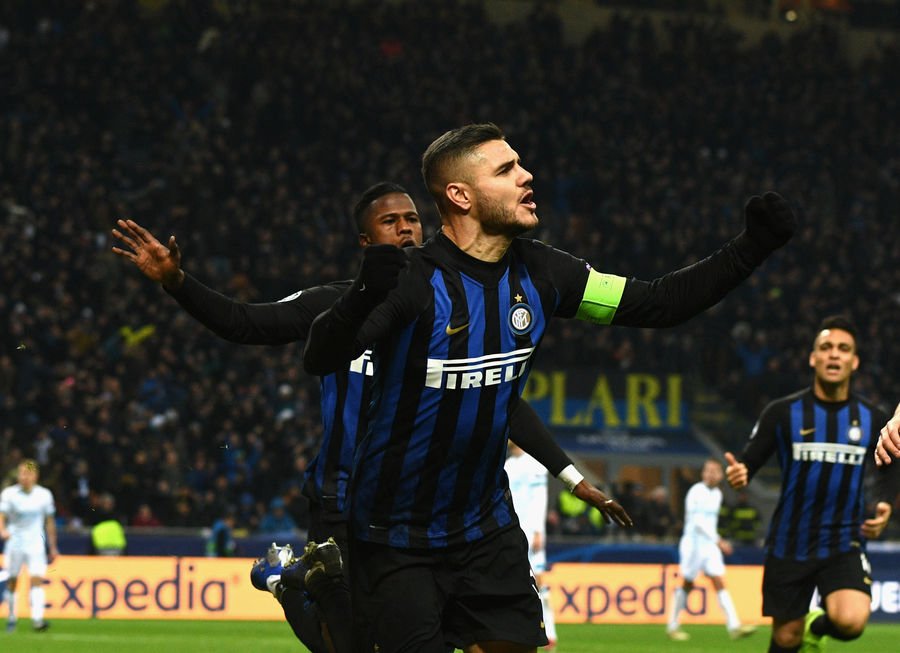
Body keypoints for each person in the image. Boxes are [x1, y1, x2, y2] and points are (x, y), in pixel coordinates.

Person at [302, 122, 795, 652]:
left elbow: (659, 303)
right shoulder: (411, 281)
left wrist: (751, 248)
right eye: (506, 170)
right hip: (394, 535)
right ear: (461, 196)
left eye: (519, 164)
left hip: (485, 529)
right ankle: (310, 591)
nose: (526, 175)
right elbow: (321, 356)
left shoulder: (545, 273)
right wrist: (360, 295)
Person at [112, 181, 625, 653]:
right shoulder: (333, 307)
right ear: (365, 241)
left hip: (420, 508)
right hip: (343, 499)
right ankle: (291, 583)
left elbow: (499, 399)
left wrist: (570, 475)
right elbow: (245, 323)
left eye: (412, 219)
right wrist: (178, 282)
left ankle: (292, 580)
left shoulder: (454, 311)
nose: (405, 228)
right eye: (390, 221)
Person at [724, 315, 900, 653]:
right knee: (786, 638)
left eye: (843, 349)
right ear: (812, 357)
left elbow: (891, 466)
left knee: (851, 621)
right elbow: (748, 461)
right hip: (790, 540)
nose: (834, 354)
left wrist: (885, 503)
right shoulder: (781, 413)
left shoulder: (873, 418)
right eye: (826, 347)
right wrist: (741, 473)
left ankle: (816, 626)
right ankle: (799, 634)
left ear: (854, 361)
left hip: (844, 539)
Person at [666, 458, 756, 641]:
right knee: (688, 583)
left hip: (709, 546)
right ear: (703, 473)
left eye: (714, 471)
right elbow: (697, 522)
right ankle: (672, 625)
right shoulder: (696, 491)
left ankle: (734, 626)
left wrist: (715, 541)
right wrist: (719, 541)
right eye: (707, 470)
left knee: (719, 580)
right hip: (693, 544)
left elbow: (710, 523)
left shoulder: (717, 494)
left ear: (721, 475)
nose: (710, 474)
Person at [504, 441, 557, 650]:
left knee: (539, 582)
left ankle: (549, 631)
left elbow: (540, 500)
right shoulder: (508, 465)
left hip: (531, 532)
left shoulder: (535, 464)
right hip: (511, 532)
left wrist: (537, 530)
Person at [0, 460, 58, 632]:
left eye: (28, 474)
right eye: (22, 473)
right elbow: (1, 515)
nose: (25, 477)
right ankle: (12, 618)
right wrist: (2, 530)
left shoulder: (44, 495)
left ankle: (37, 620)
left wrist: (53, 546)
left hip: (35, 543)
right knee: (13, 581)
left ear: (35, 476)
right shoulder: (9, 494)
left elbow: (49, 521)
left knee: (36, 579)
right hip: (15, 543)